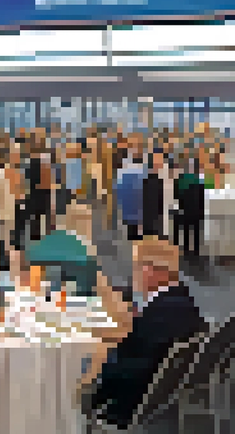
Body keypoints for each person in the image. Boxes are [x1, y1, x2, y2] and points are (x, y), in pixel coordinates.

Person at [85, 237, 207, 427]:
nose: (134, 275)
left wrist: (90, 385)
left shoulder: (158, 317)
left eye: (137, 267)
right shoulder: (183, 303)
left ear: (151, 271)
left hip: (132, 404)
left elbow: (127, 370)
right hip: (162, 402)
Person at [173, 158, 205, 260]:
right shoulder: (199, 180)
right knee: (195, 231)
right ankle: (196, 251)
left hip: (185, 208)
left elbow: (176, 196)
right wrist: (201, 212)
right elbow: (201, 198)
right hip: (196, 209)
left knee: (186, 230)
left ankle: (186, 250)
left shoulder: (180, 180)